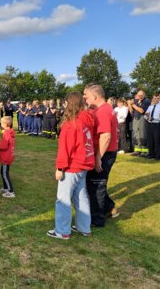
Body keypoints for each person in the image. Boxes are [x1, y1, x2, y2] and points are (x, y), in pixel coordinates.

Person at [47, 92, 95, 240]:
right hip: (84, 165)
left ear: (71, 104)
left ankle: (62, 231)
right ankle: (84, 227)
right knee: (81, 196)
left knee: (63, 199)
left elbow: (65, 148)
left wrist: (60, 167)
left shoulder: (71, 123)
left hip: (73, 166)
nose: (64, 105)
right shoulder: (87, 118)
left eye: (66, 102)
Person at [83, 84, 119, 227]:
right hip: (105, 152)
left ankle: (97, 219)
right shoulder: (103, 109)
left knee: (96, 185)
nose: (85, 99)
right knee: (95, 182)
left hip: (104, 153)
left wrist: (98, 157)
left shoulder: (103, 111)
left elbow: (105, 137)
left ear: (95, 96)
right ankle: (109, 208)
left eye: (87, 96)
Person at [0, 116, 16, 198]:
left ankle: (11, 191)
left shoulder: (6, 133)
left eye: (1, 122)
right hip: (9, 155)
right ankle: (5, 187)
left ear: (5, 124)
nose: (0, 124)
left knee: (5, 174)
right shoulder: (10, 132)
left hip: (6, 156)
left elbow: (4, 146)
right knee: (2, 172)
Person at [128, 90, 150, 157]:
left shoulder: (146, 101)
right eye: (138, 95)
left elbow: (141, 110)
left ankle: (144, 151)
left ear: (144, 95)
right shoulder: (136, 100)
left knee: (142, 134)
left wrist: (133, 104)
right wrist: (129, 104)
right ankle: (137, 150)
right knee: (136, 134)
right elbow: (131, 111)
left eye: (141, 95)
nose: (140, 96)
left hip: (142, 118)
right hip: (135, 118)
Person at [145, 94, 160, 161]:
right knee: (150, 140)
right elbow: (145, 115)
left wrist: (155, 118)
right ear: (152, 99)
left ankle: (158, 155)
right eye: (154, 98)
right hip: (149, 124)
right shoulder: (150, 106)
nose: (156, 99)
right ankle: (151, 154)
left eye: (157, 98)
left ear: (159, 99)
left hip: (157, 124)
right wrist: (147, 117)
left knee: (157, 140)